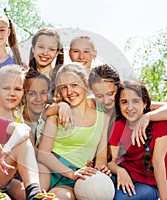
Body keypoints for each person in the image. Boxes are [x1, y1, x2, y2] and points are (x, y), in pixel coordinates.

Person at [38, 63, 110, 200]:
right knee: (33, 193)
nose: (69, 92)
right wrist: (70, 173)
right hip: (48, 169)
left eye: (74, 85)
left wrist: (100, 168)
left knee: (61, 197)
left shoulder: (103, 118)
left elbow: (101, 157)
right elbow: (43, 154)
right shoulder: (56, 115)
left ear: (86, 84)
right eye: (64, 88)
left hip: (74, 178)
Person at [108, 80, 167, 200]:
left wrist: (164, 198)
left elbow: (158, 163)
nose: (130, 107)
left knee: (120, 198)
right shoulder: (119, 125)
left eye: (135, 101)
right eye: (124, 102)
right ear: (119, 105)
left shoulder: (161, 123)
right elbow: (110, 162)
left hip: (148, 184)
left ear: (145, 103)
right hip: (126, 173)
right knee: (95, 186)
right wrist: (119, 170)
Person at [88, 64, 167, 147]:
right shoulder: (91, 103)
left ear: (119, 87)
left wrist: (148, 116)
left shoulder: (128, 106)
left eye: (111, 94)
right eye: (99, 95)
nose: (106, 100)